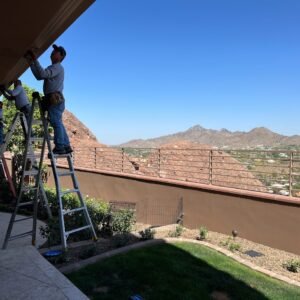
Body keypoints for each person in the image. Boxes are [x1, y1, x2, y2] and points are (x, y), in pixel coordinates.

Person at [25, 44, 72, 155]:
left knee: (56, 122)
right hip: (53, 99)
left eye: (56, 51)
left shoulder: (57, 67)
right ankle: (66, 145)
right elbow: (39, 76)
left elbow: (42, 74)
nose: (52, 52)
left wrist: (34, 60)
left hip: (54, 98)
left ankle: (60, 147)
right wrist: (31, 63)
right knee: (57, 122)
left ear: (60, 56)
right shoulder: (53, 67)